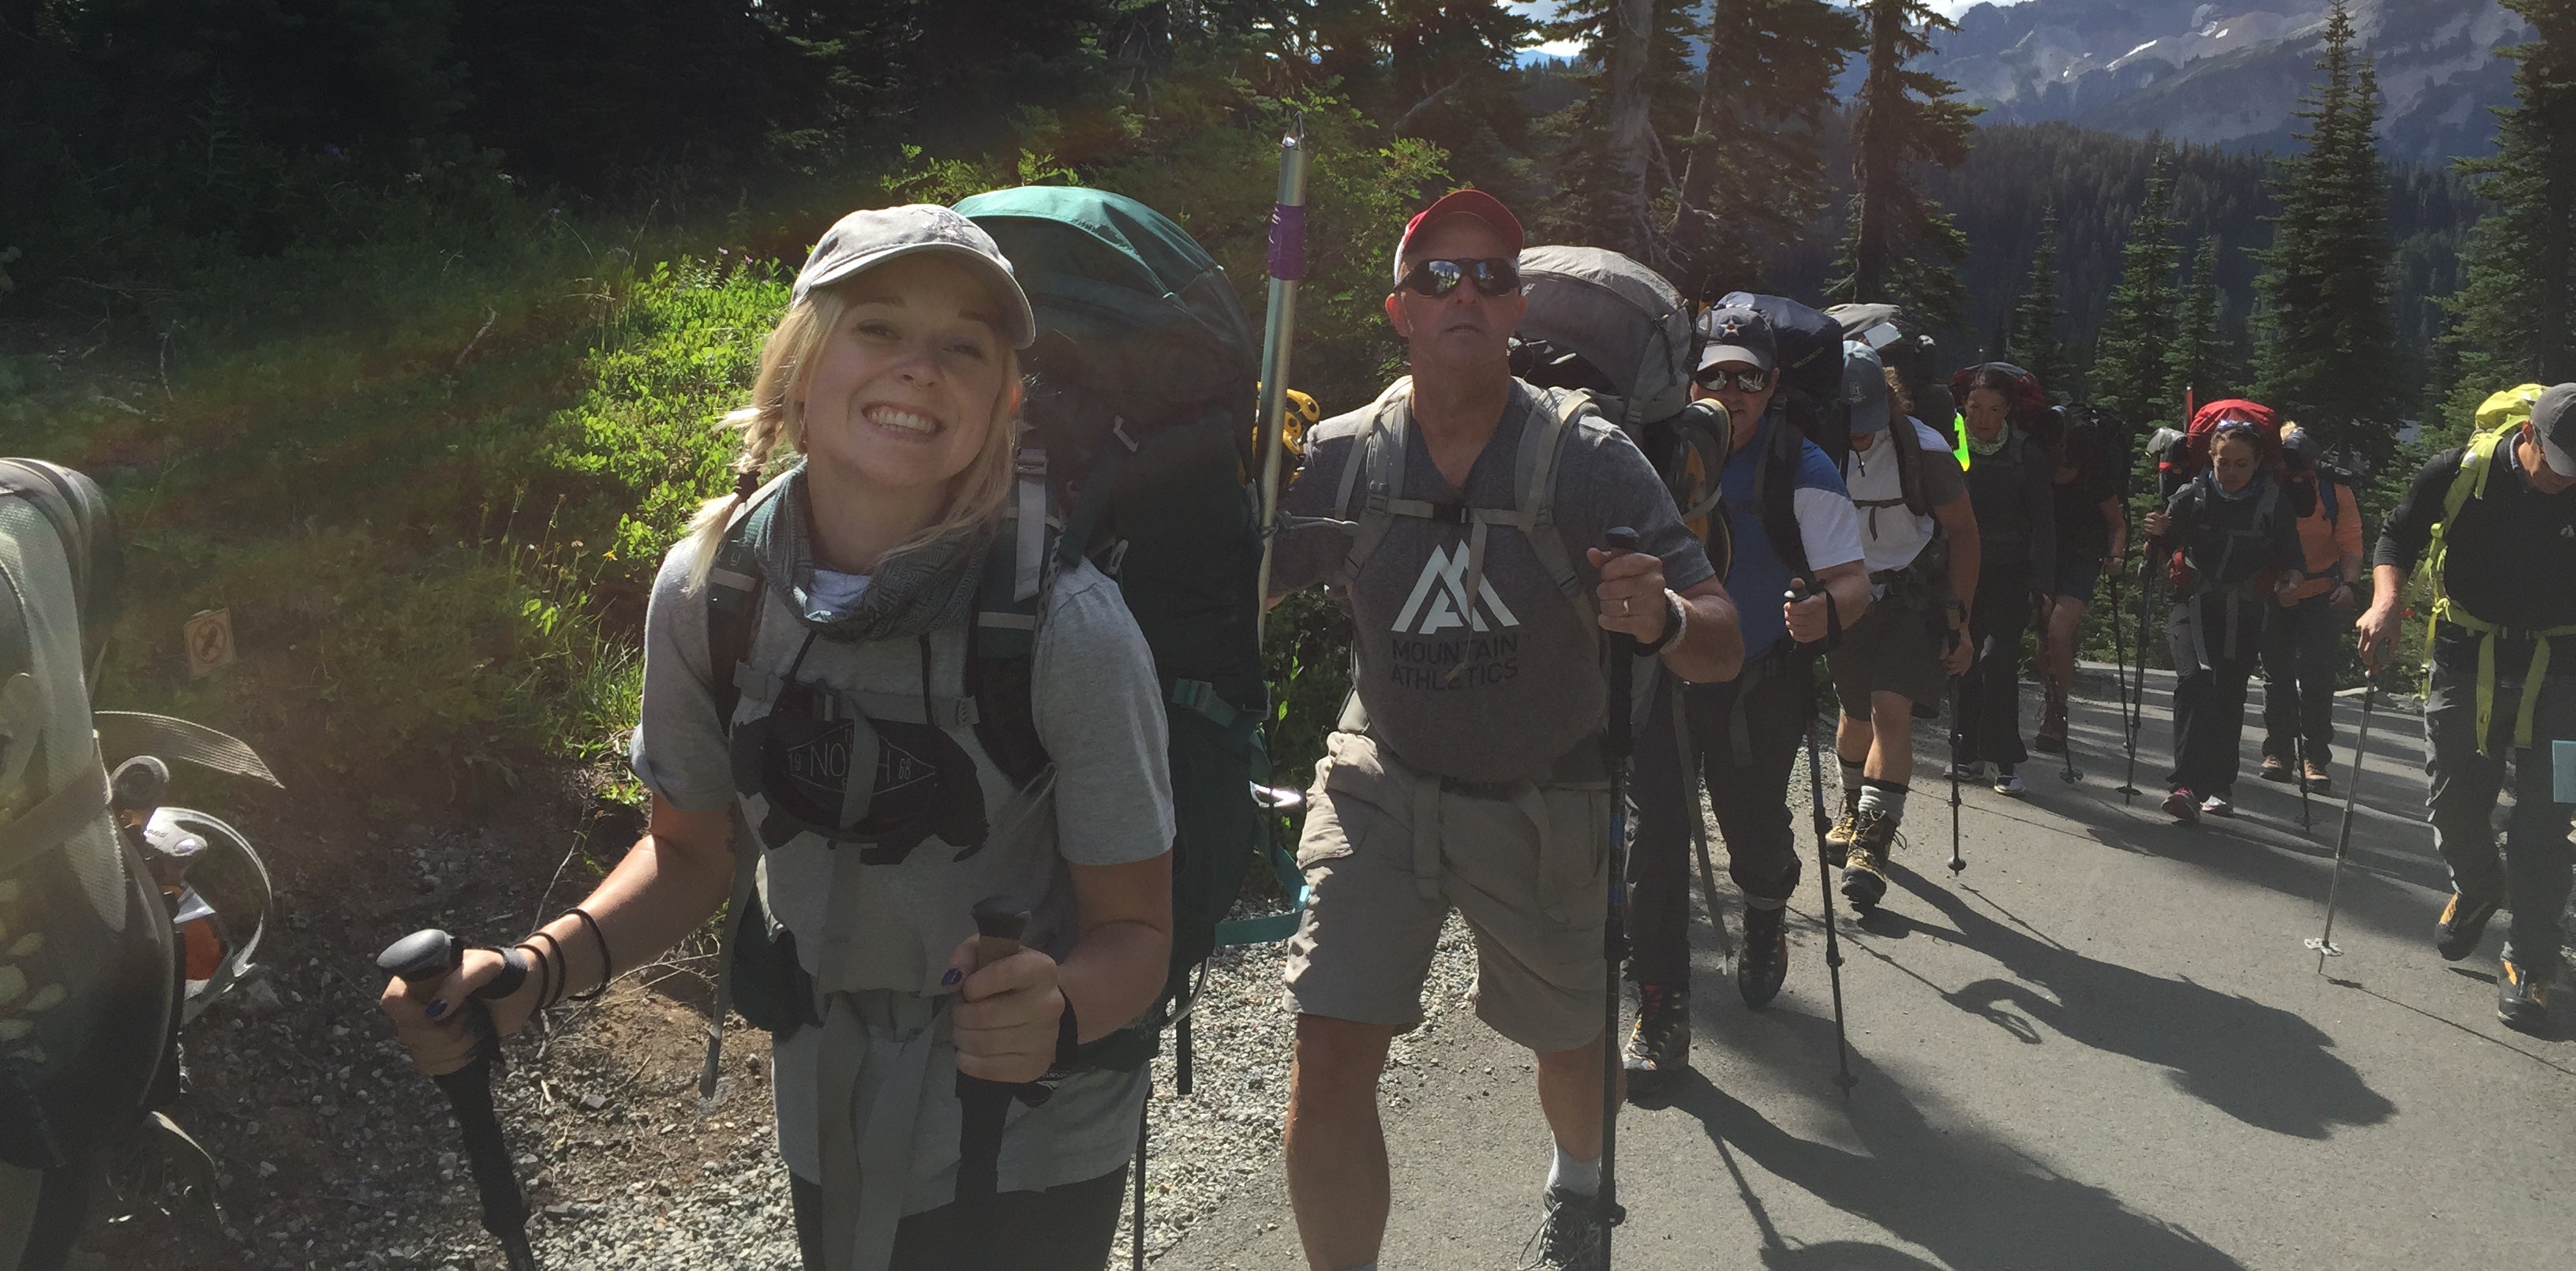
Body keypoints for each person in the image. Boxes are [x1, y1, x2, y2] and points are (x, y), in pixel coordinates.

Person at [382, 206, 1180, 1271]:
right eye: (879, 328)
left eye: (963, 349)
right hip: (829, 1090)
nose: (919, 370)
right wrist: (532, 972)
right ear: (802, 368)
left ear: (1004, 405)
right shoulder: (714, 587)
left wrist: (1061, 1005)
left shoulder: (1067, 629)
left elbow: (1138, 932)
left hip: (1030, 1123)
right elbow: (688, 853)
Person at [1262, 189, 1739, 1271]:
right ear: (1401, 310)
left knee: (1569, 1046)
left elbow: (1721, 638)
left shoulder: (1592, 458)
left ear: (1519, 305)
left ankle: (1578, 1182)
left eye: (1489, 275)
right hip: (1381, 778)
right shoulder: (1341, 456)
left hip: (1546, 795)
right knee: (1329, 1050)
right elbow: (1242, 592)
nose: (1464, 292)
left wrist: (1662, 615)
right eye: (1439, 278)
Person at [1623, 304, 1866, 1094]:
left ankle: (1766, 909)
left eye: (1749, 378)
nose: (1732, 392)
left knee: (1754, 823)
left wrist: (1824, 612)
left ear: (1772, 386)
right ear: (1691, 381)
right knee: (1655, 841)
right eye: (1715, 376)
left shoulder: (1802, 463)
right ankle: (1660, 1010)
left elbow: (1852, 580)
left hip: (1758, 677)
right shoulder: (1656, 450)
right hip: (1660, 676)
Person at [2357, 382, 2576, 1032]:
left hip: (2566, 678)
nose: (2566, 483)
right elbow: (2396, 537)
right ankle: (2480, 887)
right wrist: (2386, 601)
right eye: (2559, 468)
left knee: (2551, 819)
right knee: (2454, 802)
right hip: (2466, 658)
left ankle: (2530, 960)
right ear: (2529, 437)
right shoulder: (2461, 472)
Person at [1822, 351, 1979, 910]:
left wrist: (1959, 619)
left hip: (1913, 595)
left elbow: (1963, 533)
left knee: (1892, 708)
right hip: (1846, 593)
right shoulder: (1821, 445)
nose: (1860, 438)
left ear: (1890, 405)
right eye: (1852, 427)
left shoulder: (1926, 454)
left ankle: (1873, 843)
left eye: (1868, 427)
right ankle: (1851, 808)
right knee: (1855, 713)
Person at [2144, 417, 2301, 824]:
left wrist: (2290, 582)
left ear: (2257, 464)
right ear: (2210, 459)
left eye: (2240, 464)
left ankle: (2220, 784)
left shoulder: (2272, 503)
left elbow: (2292, 559)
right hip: (2193, 603)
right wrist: (2155, 534)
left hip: (2246, 609)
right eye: (2223, 463)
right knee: (2194, 679)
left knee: (2229, 693)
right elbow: (2161, 546)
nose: (2230, 472)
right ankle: (2185, 786)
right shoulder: (2191, 496)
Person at [1949, 368, 2056, 797]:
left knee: (1998, 658)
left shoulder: (2025, 453)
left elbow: (2045, 523)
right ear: (1965, 405)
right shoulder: (1951, 445)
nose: (1982, 418)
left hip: (2012, 572)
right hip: (1962, 570)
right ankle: (1969, 753)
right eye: (1975, 408)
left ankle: (2006, 759)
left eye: (1994, 410)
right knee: (1964, 656)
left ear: (2008, 410)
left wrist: (2044, 582)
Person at [2259, 424, 2364, 789]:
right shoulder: (2268, 485)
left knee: (2318, 678)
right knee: (2278, 676)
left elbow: (2350, 542)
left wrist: (2349, 585)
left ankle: (2314, 758)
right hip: (2275, 590)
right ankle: (2278, 752)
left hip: (2321, 592)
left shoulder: (2335, 490)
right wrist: (2277, 583)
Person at [2034, 413, 2127, 757]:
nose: (2062, 474)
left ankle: (2057, 710)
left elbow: (2116, 524)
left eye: (2068, 467)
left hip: (2082, 560)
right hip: (2044, 559)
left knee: (2058, 631)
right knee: (2043, 635)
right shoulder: (2040, 473)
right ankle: (2051, 699)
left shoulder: (2095, 479)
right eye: (2058, 465)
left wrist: (2115, 556)